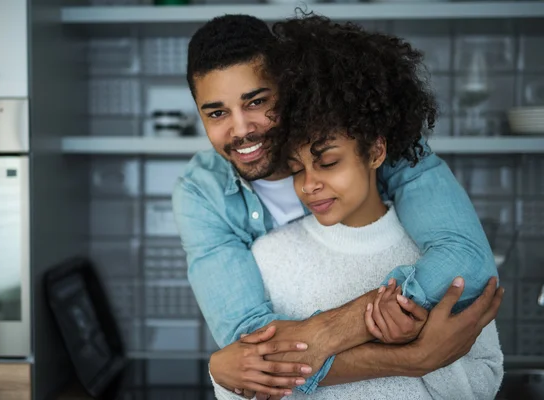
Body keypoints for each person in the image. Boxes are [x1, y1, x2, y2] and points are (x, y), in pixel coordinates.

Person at [172, 13, 503, 397]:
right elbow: (256, 352)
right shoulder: (201, 194)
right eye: (216, 113)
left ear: (286, 87)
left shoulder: (367, 132)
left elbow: (466, 257)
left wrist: (327, 332)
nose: (242, 128)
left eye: (257, 101)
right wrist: (414, 358)